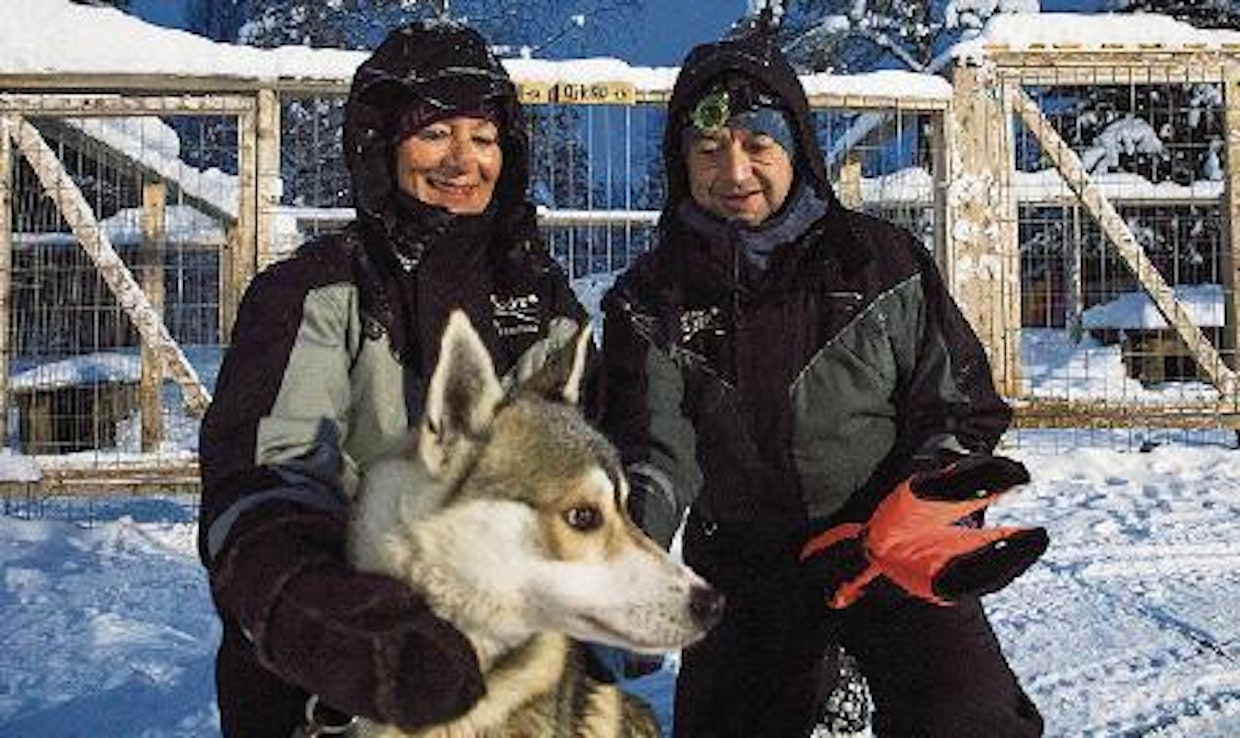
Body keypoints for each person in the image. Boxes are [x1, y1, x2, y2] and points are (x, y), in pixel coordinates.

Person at [599, 22, 1047, 738]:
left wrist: (921, 507)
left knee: (969, 720)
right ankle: (819, 671)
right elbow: (652, 449)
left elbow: (960, 408)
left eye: (758, 145)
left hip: (884, 546)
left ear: (797, 150)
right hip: (744, 566)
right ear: (681, 163)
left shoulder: (881, 262)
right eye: (708, 150)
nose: (734, 172)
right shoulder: (651, 298)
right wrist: (625, 558)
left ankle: (850, 659)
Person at [197, 20, 591, 737]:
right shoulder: (314, 292)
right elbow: (270, 471)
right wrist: (317, 608)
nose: (463, 160)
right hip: (333, 668)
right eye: (434, 133)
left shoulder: (542, 303)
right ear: (381, 146)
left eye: (484, 137)